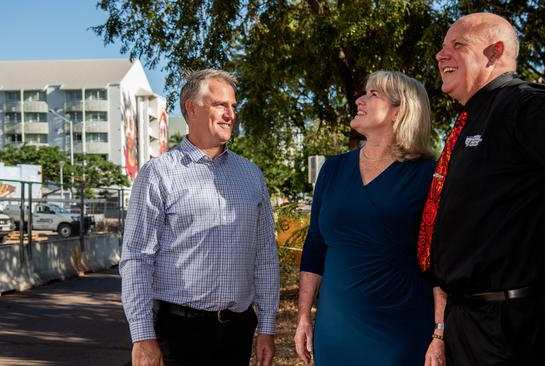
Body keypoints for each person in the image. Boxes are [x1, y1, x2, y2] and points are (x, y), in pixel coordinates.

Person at [420, 12, 545, 366]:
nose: (441, 55)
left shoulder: (526, 105)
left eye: (458, 45)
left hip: (512, 326)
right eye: (441, 47)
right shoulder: (470, 120)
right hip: (465, 321)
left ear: (493, 52)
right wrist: (441, 329)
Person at [120, 69, 280, 366]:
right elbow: (136, 258)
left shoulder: (251, 176)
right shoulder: (157, 174)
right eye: (221, 104)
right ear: (191, 108)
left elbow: (265, 256)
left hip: (238, 331)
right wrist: (142, 337)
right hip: (176, 332)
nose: (230, 114)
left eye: (233, 106)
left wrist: (267, 328)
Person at [294, 70, 437, 365]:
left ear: (399, 110)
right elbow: (315, 246)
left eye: (373, 94)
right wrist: (303, 317)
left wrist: (441, 332)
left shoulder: (427, 175)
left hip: (400, 333)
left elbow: (441, 259)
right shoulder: (333, 170)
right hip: (335, 333)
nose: (359, 99)